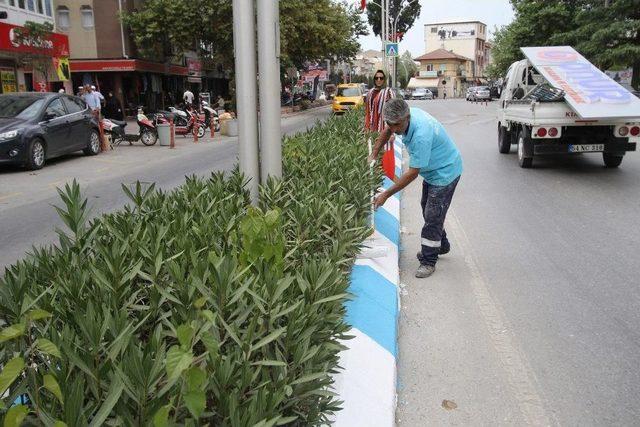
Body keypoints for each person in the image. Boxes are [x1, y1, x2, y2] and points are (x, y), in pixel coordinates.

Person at [371, 99, 462, 278]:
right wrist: (373, 154)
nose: (394, 129)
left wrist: (386, 195)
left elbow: (412, 173)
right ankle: (441, 244)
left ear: (407, 118)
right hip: (432, 172)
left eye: (397, 125)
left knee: (433, 215)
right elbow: (388, 129)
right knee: (427, 208)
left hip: (445, 172)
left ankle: (428, 261)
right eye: (390, 124)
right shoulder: (400, 118)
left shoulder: (421, 134)